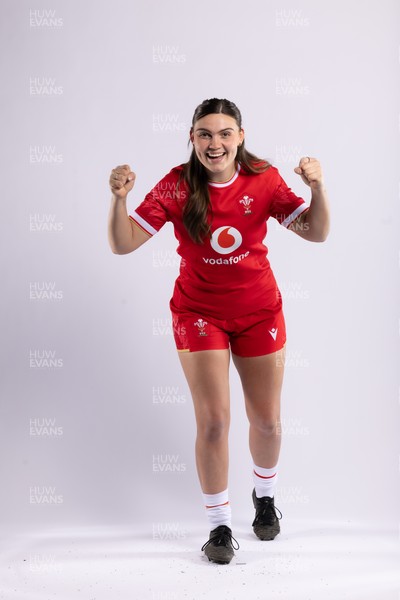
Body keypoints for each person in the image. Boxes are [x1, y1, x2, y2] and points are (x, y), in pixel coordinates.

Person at [108, 98, 330, 565]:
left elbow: (315, 232)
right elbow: (123, 243)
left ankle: (264, 498)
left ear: (240, 136)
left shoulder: (264, 179)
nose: (215, 143)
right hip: (198, 313)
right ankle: (218, 527)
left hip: (259, 313)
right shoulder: (176, 185)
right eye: (205, 134)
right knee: (213, 422)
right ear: (192, 138)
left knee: (266, 420)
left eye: (225, 133)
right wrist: (119, 199)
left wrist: (317, 188)